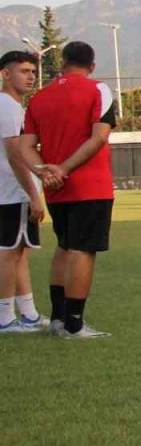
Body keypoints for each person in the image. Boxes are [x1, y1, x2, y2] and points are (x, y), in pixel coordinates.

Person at [19, 41, 117, 338]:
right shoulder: (98, 89)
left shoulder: (39, 98)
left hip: (56, 189)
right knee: (83, 250)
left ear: (62, 64)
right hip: (90, 186)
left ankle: (58, 319)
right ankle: (74, 325)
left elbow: (25, 146)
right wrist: (63, 169)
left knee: (64, 246)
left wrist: (44, 172)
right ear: (92, 66)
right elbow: (99, 137)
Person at [0, 51, 47, 333]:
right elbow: (15, 156)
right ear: (5, 74)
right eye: (23, 71)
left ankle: (28, 313)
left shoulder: (13, 106)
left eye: (32, 71)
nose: (30, 76)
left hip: (12, 192)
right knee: (9, 252)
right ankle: (5, 318)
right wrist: (33, 194)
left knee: (20, 251)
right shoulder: (6, 106)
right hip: (13, 192)